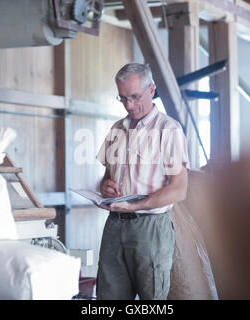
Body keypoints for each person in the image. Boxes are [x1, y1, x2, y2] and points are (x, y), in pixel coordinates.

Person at [95, 63, 190, 300]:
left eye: (135, 97)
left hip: (151, 228)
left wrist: (136, 205)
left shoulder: (169, 130)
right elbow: (106, 177)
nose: (129, 105)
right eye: (123, 98)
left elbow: (179, 189)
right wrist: (104, 186)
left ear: (151, 90)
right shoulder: (117, 128)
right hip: (114, 225)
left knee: (152, 300)